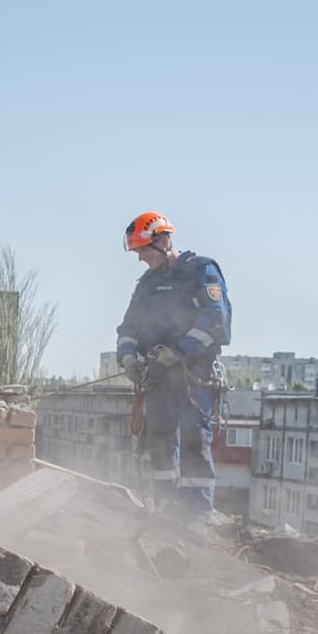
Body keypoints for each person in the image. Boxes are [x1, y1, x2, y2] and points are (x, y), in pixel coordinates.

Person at [114, 211, 233, 521]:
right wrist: (127, 355)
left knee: (195, 440)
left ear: (163, 241)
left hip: (194, 375)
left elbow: (215, 319)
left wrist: (180, 352)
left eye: (143, 250)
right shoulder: (147, 284)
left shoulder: (201, 271)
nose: (140, 258)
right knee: (160, 440)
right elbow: (128, 326)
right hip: (158, 376)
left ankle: (197, 515)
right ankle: (165, 510)